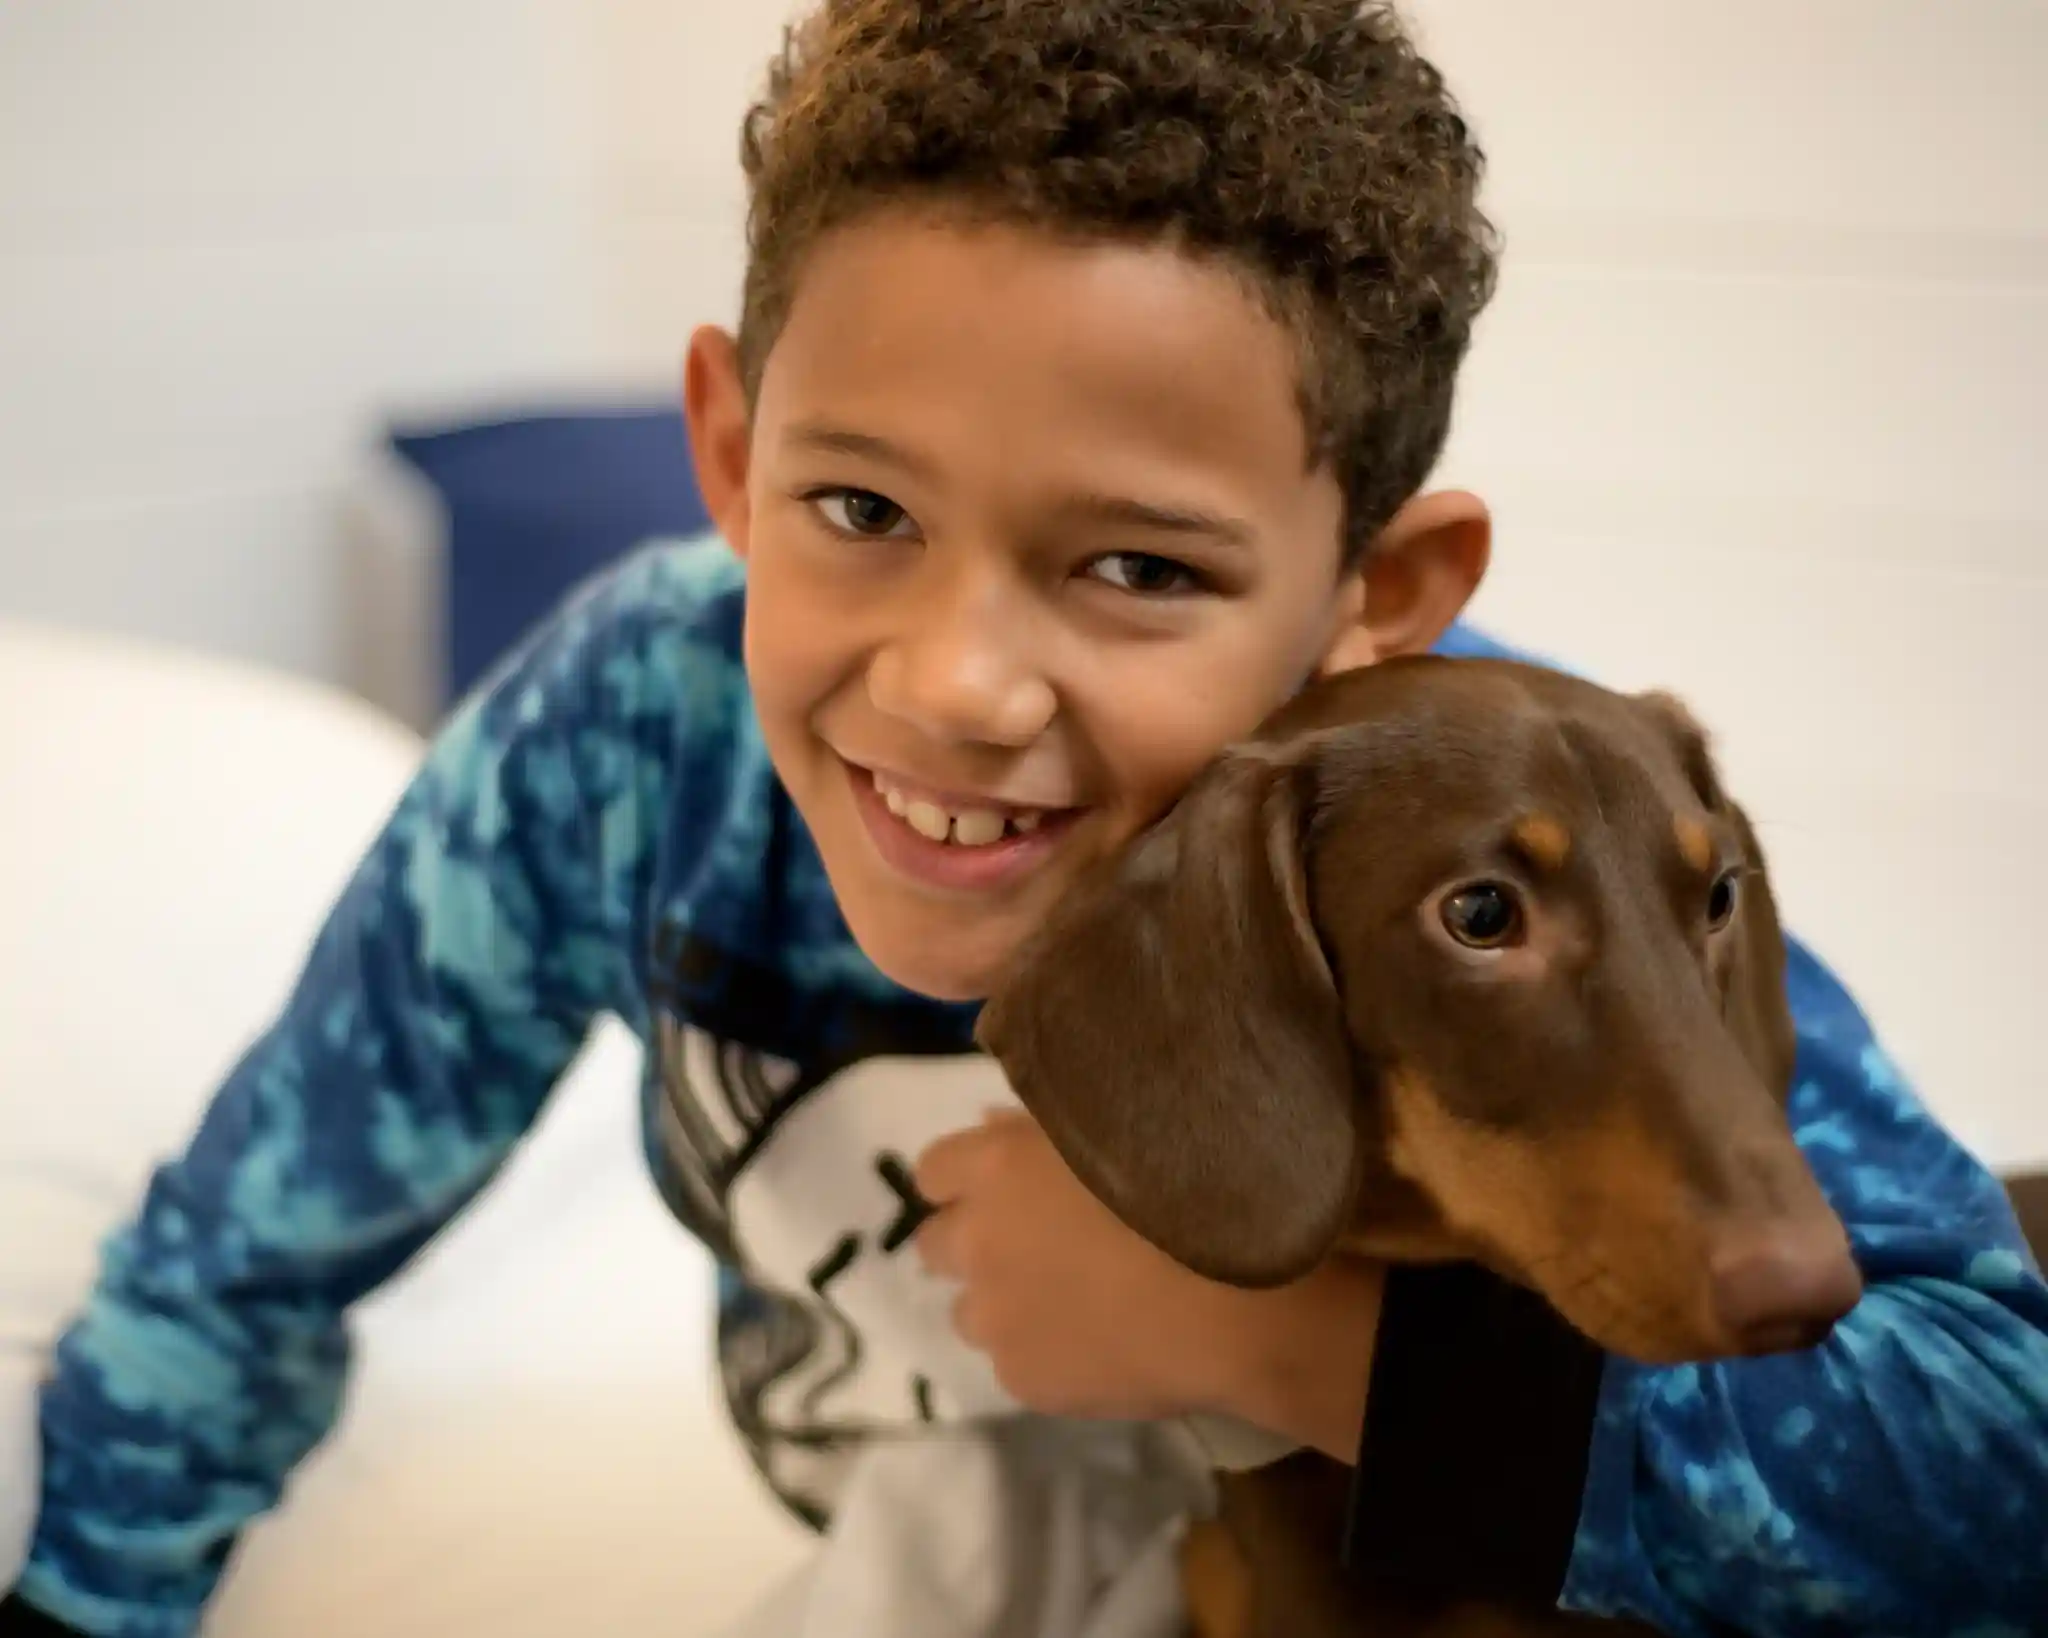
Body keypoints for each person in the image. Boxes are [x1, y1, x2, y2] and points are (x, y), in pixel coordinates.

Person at [6, 1, 2046, 1633]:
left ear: (1375, 600)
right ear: (728, 450)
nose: (959, 687)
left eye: (1140, 569)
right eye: (861, 510)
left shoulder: (1477, 805)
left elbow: (1990, 1458)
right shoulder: (626, 736)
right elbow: (230, 1279)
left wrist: (1274, 1343)